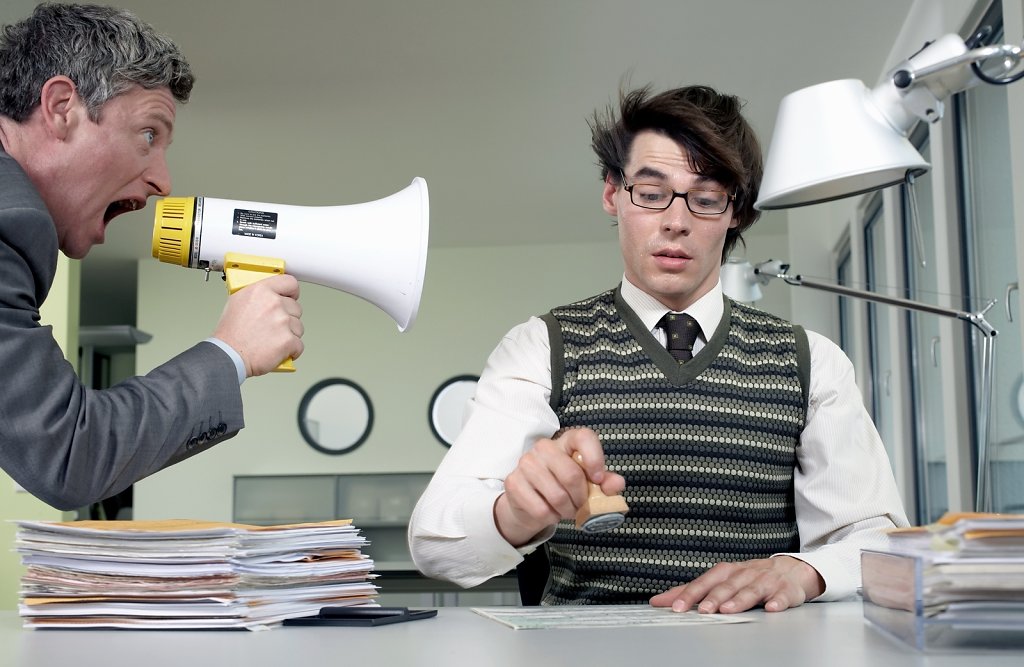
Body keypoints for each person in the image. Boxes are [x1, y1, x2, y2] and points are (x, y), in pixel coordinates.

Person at [409, 84, 909, 613]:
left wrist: (804, 569)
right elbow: (433, 543)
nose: (676, 220)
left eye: (706, 197)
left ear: (735, 211)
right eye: (651, 193)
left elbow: (879, 542)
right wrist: (513, 514)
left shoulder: (812, 361)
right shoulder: (541, 347)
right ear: (612, 194)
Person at [0, 4, 304, 510]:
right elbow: (71, 453)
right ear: (60, 107)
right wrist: (231, 353)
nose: (164, 182)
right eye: (148, 134)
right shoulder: (11, 226)